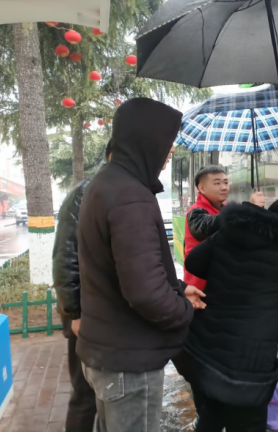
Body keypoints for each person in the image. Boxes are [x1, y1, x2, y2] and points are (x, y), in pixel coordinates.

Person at [76, 98, 204, 432]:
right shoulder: (130, 196)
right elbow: (146, 292)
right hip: (128, 362)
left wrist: (177, 289)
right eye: (167, 141)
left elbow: (124, 268)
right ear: (147, 139)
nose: (170, 151)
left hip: (107, 352)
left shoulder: (104, 184)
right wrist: (183, 311)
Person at [184, 198, 278, 432]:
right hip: (249, 362)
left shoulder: (231, 232)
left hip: (206, 349)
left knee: (211, 416)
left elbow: (194, 262)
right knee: (248, 423)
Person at [52, 139, 113, 432]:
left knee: (103, 393)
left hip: (101, 313)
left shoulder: (110, 190)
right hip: (85, 314)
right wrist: (74, 313)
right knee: (85, 394)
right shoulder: (86, 193)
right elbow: (65, 257)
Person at [184, 165, 265, 290]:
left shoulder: (225, 208)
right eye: (217, 183)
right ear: (202, 188)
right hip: (201, 286)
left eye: (226, 183)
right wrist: (246, 208)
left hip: (223, 282)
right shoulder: (195, 212)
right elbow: (205, 228)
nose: (224, 187)